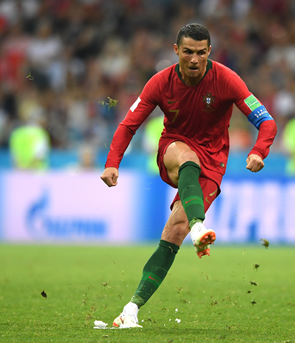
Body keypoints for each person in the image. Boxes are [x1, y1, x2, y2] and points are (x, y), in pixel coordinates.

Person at [100, 23, 277, 328]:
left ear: (209, 52)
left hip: (214, 162)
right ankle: (200, 227)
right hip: (175, 147)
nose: (194, 59)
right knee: (186, 158)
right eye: (188, 52)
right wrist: (112, 162)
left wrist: (259, 150)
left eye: (201, 52)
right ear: (176, 51)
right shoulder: (159, 83)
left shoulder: (227, 79)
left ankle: (131, 309)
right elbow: (128, 125)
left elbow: (267, 122)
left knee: (173, 233)